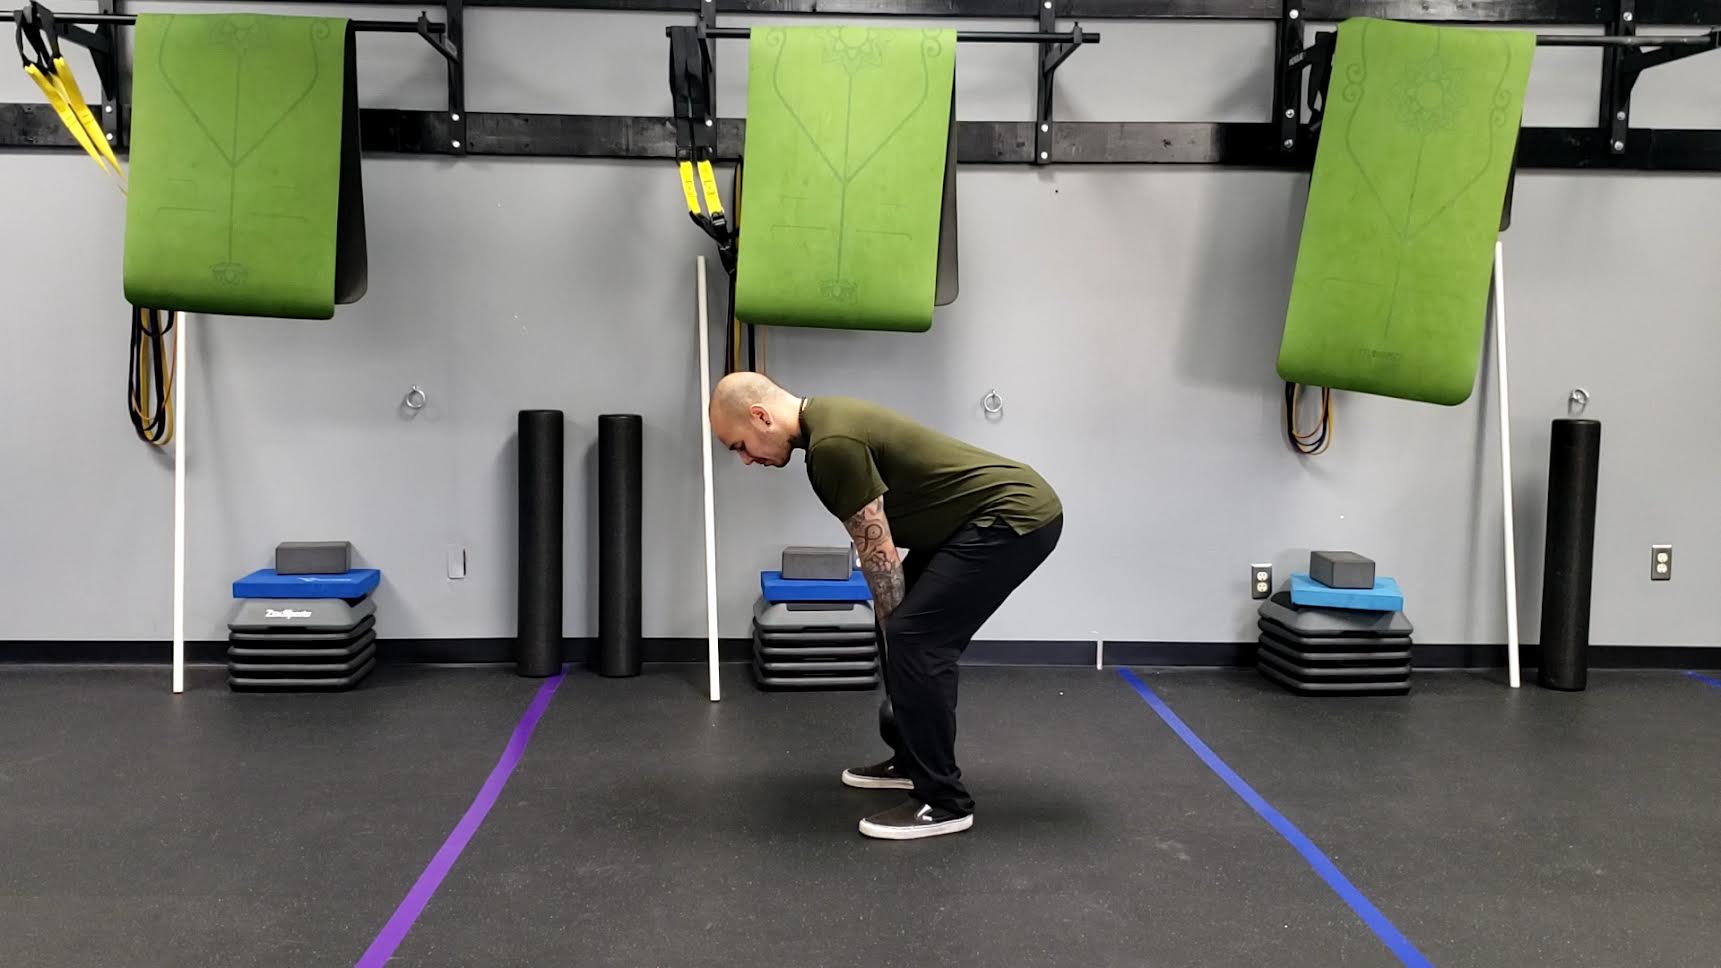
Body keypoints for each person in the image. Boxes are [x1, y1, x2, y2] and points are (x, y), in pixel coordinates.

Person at [708, 372, 1063, 841]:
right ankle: (911, 760)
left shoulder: (832, 446)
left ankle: (944, 800)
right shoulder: (826, 426)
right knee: (902, 629)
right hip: (970, 522)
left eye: (739, 445)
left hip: (1013, 516)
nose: (746, 459)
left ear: (760, 416)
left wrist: (902, 640)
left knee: (916, 639)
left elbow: (879, 554)